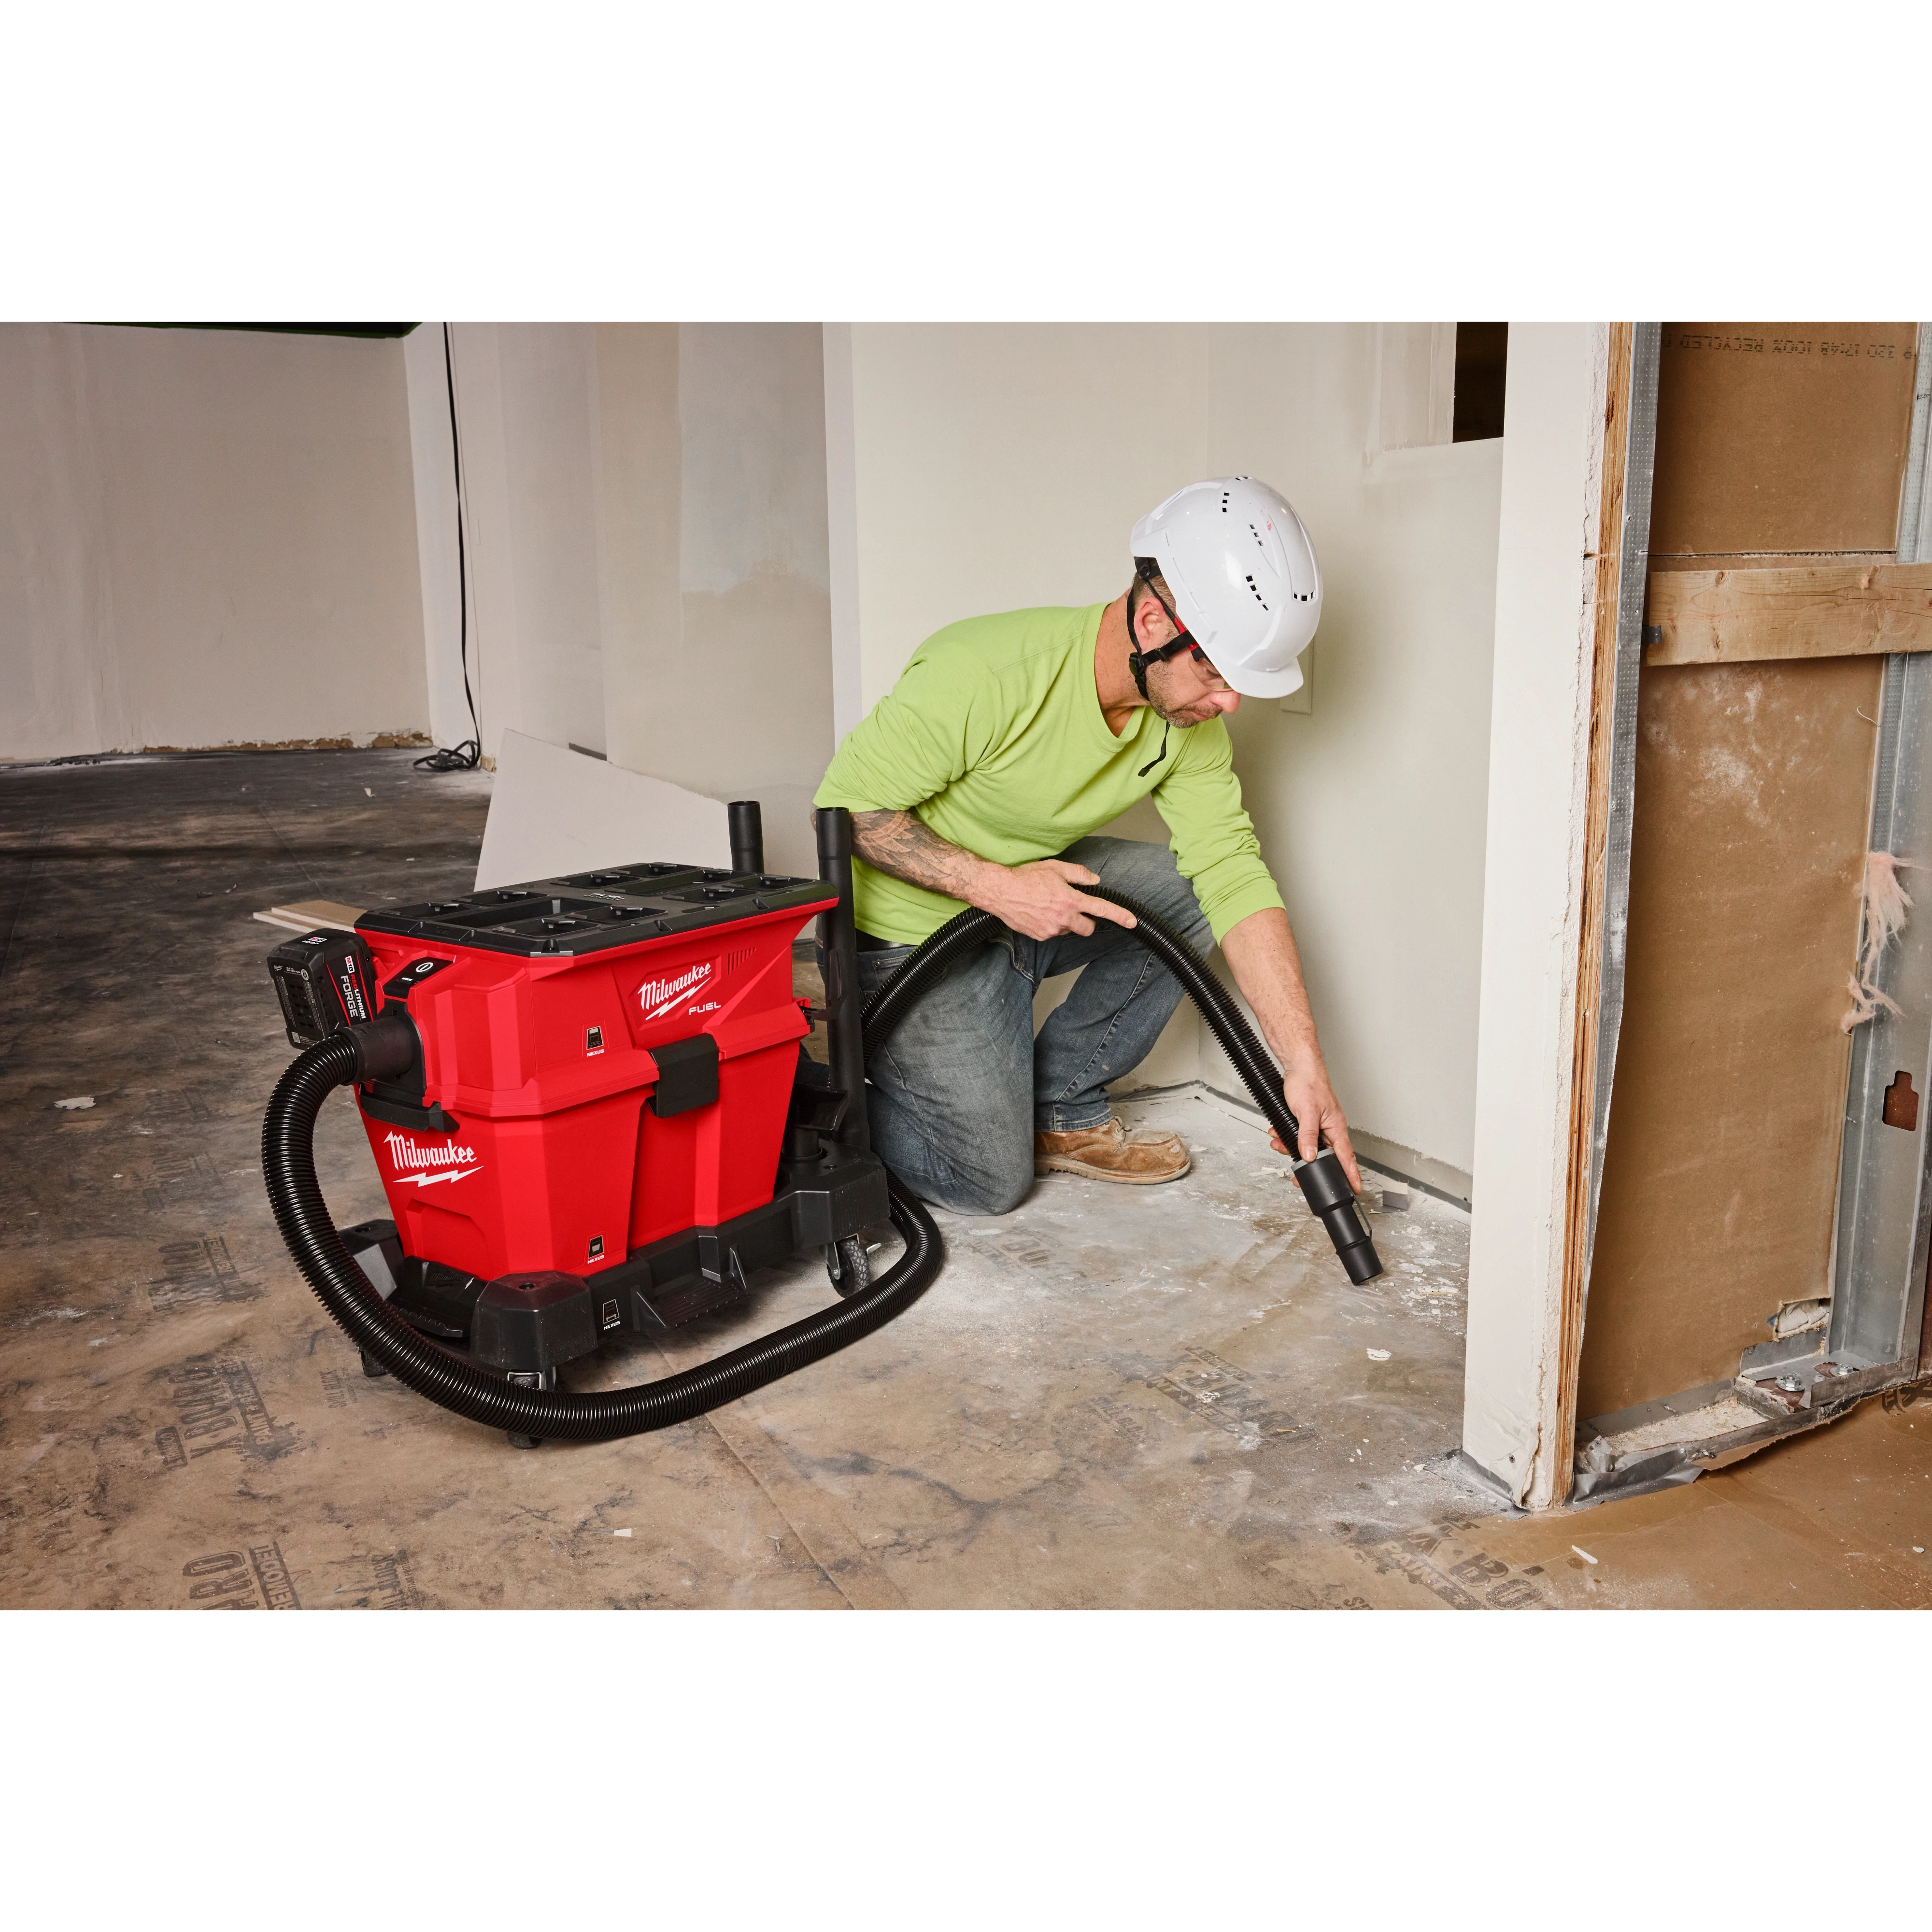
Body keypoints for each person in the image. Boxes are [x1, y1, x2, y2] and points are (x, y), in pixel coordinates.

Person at [812, 477, 1362, 1215]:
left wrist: (1304, 1063)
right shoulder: (987, 672)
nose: (1229, 702)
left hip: (1026, 907)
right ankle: (816, 1097)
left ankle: (1060, 1105)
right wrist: (998, 888)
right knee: (989, 1182)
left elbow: (1231, 874)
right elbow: (847, 810)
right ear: (1149, 620)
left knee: (1188, 890)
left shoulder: (1185, 723)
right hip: (913, 946)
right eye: (1215, 671)